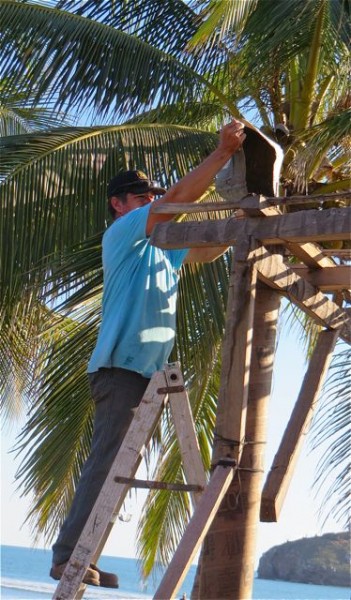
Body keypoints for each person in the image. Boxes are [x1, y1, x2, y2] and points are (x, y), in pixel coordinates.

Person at [50, 119, 246, 587]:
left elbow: (205, 250)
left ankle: (85, 556)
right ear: (120, 206)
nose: (150, 204)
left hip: (146, 372)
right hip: (120, 367)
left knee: (119, 467)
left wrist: (243, 210)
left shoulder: (163, 247)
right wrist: (221, 155)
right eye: (141, 199)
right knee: (107, 462)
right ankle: (67, 557)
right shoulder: (123, 233)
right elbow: (174, 201)